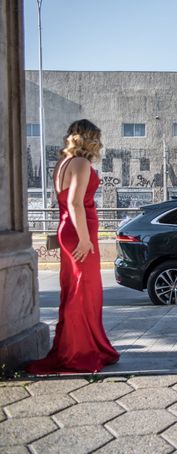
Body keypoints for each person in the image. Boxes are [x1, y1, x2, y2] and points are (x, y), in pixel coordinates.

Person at [26, 119, 119, 374]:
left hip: (70, 228)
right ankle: (79, 352)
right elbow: (76, 203)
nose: (99, 143)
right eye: (96, 138)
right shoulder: (80, 163)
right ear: (88, 138)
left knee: (75, 289)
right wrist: (85, 239)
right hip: (79, 232)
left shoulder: (63, 163)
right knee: (83, 292)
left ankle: (83, 346)